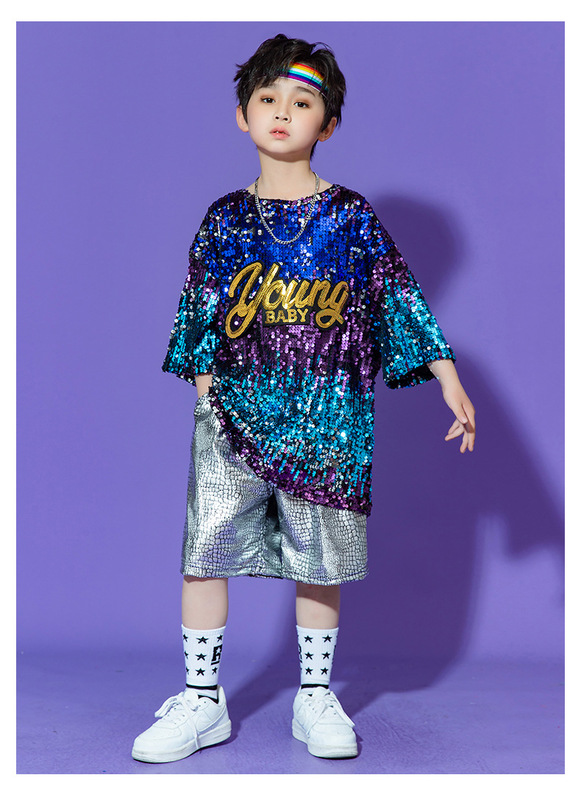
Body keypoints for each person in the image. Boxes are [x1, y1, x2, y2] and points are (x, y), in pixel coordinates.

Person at [131, 33, 475, 764]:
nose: (282, 112)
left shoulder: (351, 218)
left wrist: (447, 375)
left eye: (302, 101)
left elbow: (397, 296)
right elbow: (197, 312)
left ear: (329, 124)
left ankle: (313, 695)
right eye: (267, 98)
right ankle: (201, 699)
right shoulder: (225, 218)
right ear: (242, 115)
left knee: (321, 563)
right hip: (233, 419)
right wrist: (206, 391)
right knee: (205, 553)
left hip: (326, 426)